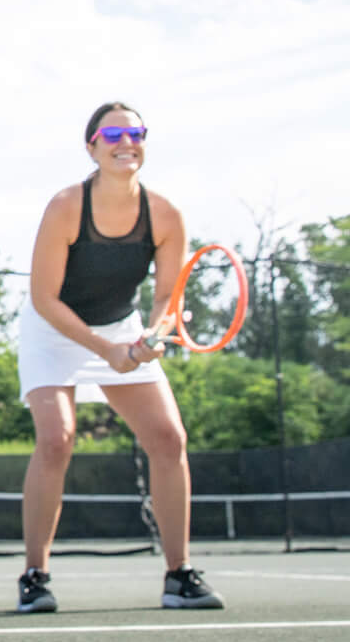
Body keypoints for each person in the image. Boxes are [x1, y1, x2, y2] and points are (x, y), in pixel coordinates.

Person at [12, 101, 224, 615]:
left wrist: (153, 334)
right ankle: (35, 575)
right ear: (92, 147)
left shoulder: (166, 215)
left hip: (122, 327)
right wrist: (107, 351)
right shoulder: (66, 206)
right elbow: (45, 298)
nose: (126, 141)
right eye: (113, 134)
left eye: (136, 133)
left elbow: (166, 302)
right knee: (57, 440)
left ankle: (179, 575)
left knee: (169, 438)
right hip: (52, 329)